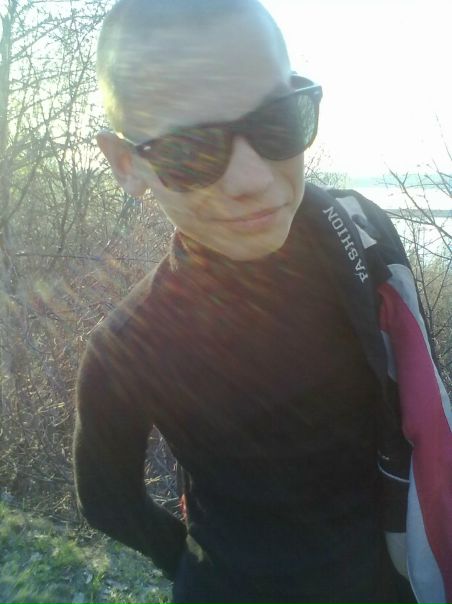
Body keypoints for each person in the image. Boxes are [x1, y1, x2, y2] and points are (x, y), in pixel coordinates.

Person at [73, 1, 452, 603]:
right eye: (190, 150)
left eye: (279, 120)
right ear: (127, 164)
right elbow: (106, 500)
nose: (252, 178)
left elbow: (416, 397)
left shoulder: (363, 235)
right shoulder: (124, 349)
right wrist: (201, 569)